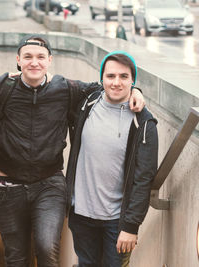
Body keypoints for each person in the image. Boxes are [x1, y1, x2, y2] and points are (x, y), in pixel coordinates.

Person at [0, 35, 145, 267]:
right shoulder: (2, 87)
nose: (34, 62)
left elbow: (106, 87)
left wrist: (136, 90)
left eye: (40, 57)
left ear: (49, 60)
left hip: (49, 186)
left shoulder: (65, 88)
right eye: (28, 57)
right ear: (18, 60)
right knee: (16, 258)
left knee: (47, 249)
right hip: (8, 189)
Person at [65, 51, 158, 267]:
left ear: (133, 80)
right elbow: (54, 83)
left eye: (124, 77)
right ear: (102, 79)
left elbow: (143, 179)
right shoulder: (87, 103)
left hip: (117, 223)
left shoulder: (144, 122)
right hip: (81, 215)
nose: (116, 82)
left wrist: (131, 226)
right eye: (111, 76)